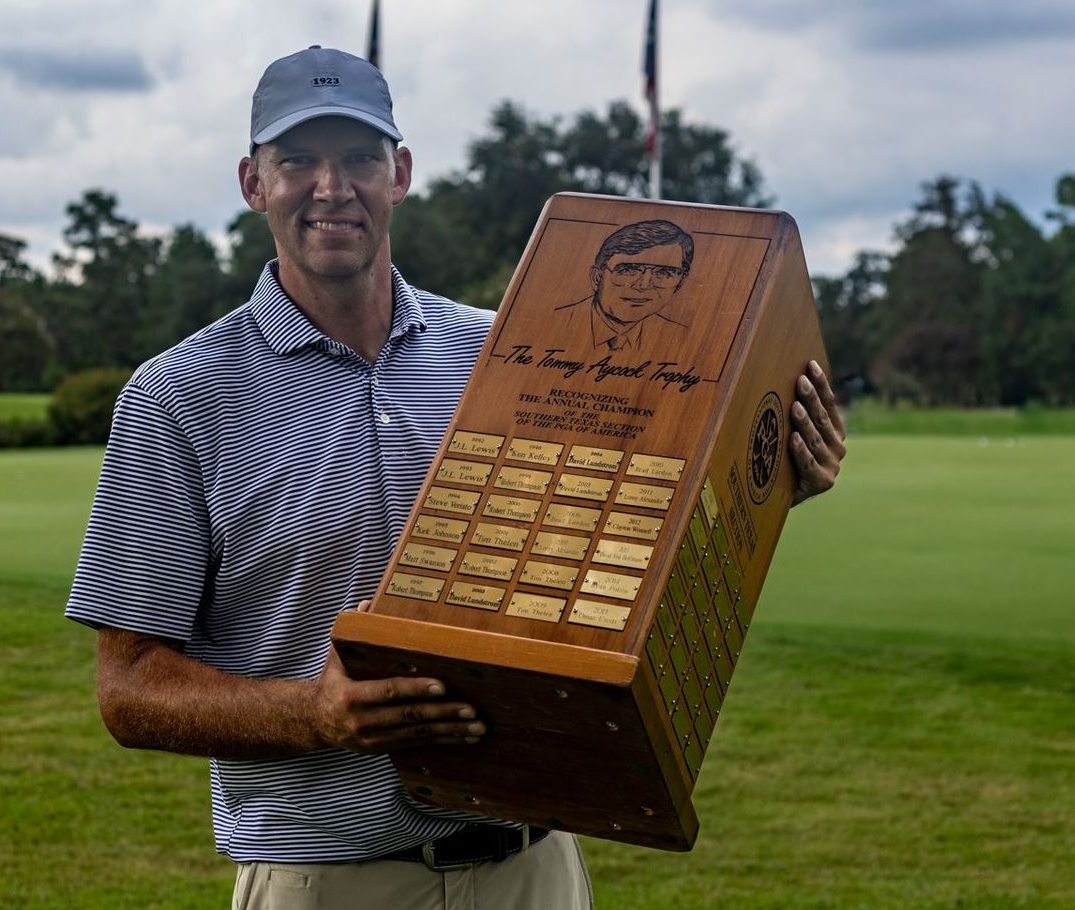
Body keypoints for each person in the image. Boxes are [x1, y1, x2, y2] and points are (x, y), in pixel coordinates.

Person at [65, 45, 849, 910]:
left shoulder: (513, 355)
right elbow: (128, 686)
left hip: (535, 868)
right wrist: (313, 715)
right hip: (329, 882)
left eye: (360, 158)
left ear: (399, 172)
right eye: (298, 161)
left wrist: (766, 482)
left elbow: (623, 540)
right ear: (254, 183)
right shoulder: (178, 396)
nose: (333, 188)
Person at [551, 219, 695, 353]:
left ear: (680, 283)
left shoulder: (684, 340)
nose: (643, 286)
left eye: (664, 273)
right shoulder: (549, 324)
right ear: (597, 278)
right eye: (628, 270)